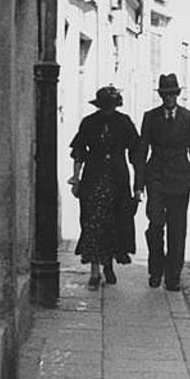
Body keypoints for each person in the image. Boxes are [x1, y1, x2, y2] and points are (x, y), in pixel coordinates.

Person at [133, 74, 190, 291]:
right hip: (156, 178)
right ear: (161, 96)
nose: (169, 98)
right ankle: (156, 269)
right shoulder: (151, 117)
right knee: (155, 225)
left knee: (177, 230)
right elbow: (142, 151)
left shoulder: (189, 118)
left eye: (172, 94)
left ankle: (173, 276)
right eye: (165, 95)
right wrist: (138, 184)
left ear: (177, 95)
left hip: (181, 180)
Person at [68, 85, 140, 290]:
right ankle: (94, 271)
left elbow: (136, 153)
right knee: (93, 222)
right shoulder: (89, 123)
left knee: (115, 222)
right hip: (94, 178)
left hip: (118, 180)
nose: (108, 109)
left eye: (111, 105)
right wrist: (76, 178)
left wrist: (138, 185)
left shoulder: (124, 122)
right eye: (105, 106)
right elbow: (79, 151)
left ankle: (108, 265)